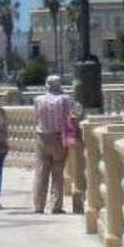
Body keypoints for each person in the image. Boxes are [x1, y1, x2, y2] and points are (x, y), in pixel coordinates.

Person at [31, 72, 81, 215]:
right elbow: (78, 110)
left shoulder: (38, 99)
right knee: (58, 173)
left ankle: (39, 205)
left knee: (41, 173)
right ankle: (56, 206)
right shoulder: (64, 99)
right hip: (59, 138)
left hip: (42, 138)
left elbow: (36, 116)